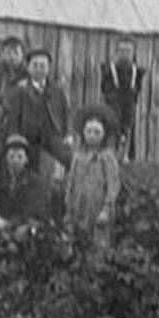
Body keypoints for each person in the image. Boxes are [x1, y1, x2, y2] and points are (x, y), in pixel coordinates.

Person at [64, 104, 121, 252]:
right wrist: (69, 208)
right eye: (89, 131)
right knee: (76, 245)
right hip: (79, 208)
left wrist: (107, 209)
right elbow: (71, 183)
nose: (92, 135)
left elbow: (113, 185)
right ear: (83, 132)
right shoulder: (78, 156)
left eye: (97, 132)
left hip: (98, 209)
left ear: (104, 134)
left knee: (98, 247)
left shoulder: (107, 157)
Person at [8, 48, 71, 173]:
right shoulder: (21, 90)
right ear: (28, 67)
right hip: (29, 137)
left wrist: (68, 134)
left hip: (52, 135)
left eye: (43, 65)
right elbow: (14, 117)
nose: (39, 69)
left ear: (48, 68)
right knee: (30, 168)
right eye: (35, 65)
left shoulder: (56, 90)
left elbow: (65, 113)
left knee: (69, 159)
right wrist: (15, 138)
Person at [0, 134, 48, 240]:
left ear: (26, 159)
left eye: (20, 157)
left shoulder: (34, 181)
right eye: (12, 156)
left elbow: (32, 211)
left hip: (22, 227)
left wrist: (10, 223)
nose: (15, 161)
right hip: (0, 225)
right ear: (6, 158)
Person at [0, 36, 29, 165]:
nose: (12, 57)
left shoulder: (28, 76)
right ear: (3, 54)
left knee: (17, 162)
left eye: (15, 53)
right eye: (8, 53)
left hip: (20, 128)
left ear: (22, 55)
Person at [100, 36, 145, 162]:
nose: (125, 54)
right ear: (116, 52)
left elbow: (136, 94)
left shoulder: (137, 73)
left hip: (128, 114)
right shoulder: (109, 71)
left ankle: (126, 157)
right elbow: (106, 93)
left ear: (133, 53)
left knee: (128, 139)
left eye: (128, 51)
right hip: (112, 113)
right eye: (122, 51)